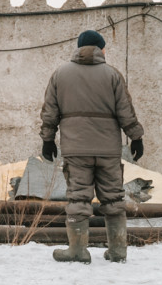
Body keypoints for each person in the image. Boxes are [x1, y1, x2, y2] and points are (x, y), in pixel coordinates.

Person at [39, 29, 145, 264]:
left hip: (76, 150)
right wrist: (135, 136)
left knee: (78, 199)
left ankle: (77, 251)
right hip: (108, 150)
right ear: (99, 48)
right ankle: (118, 251)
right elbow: (126, 111)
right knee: (114, 199)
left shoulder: (60, 75)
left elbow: (50, 112)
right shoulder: (113, 75)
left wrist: (47, 140)